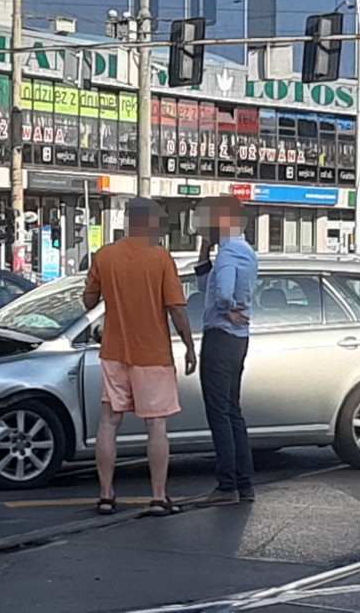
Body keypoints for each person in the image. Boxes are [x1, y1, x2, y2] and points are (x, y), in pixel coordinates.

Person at [83, 197, 196, 517]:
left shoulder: (104, 256)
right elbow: (175, 307)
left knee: (108, 421)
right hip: (153, 354)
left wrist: (96, 284)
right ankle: (158, 497)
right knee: (156, 426)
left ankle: (106, 495)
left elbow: (88, 301)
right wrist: (188, 345)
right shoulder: (160, 258)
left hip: (114, 352)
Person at [193, 196, 259, 507]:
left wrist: (227, 307)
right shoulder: (243, 250)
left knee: (218, 410)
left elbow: (220, 290)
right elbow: (205, 286)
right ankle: (244, 483)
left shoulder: (230, 252)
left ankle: (226, 484)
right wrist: (205, 253)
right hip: (239, 339)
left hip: (220, 336)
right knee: (232, 409)